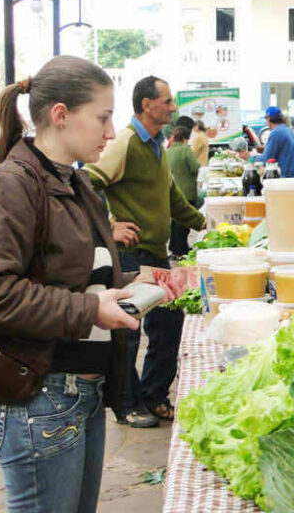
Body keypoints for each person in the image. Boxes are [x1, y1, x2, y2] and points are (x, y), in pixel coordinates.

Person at [0, 55, 140, 511]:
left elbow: (81, 277)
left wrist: (144, 281)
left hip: (81, 392)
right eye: (103, 117)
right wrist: (90, 310)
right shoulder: (4, 189)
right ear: (61, 115)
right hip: (37, 396)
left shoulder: (77, 186)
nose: (111, 132)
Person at [84, 76, 206, 427]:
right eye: (167, 101)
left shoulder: (158, 146)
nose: (173, 107)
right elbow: (86, 182)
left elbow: (173, 200)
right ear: (147, 104)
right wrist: (109, 226)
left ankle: (153, 396)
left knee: (169, 324)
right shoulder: (124, 142)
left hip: (154, 254)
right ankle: (126, 404)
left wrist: (208, 227)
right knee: (128, 332)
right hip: (131, 257)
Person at [167, 120, 203, 258]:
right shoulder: (185, 150)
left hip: (172, 192)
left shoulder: (168, 152)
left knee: (175, 223)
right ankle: (182, 249)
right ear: (185, 138)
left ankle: (174, 248)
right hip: (186, 192)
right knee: (184, 225)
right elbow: (195, 168)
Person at [251, 106, 294, 177]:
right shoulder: (289, 130)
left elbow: (266, 159)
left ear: (268, 118)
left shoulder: (276, 133)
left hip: (287, 177)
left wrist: (250, 158)